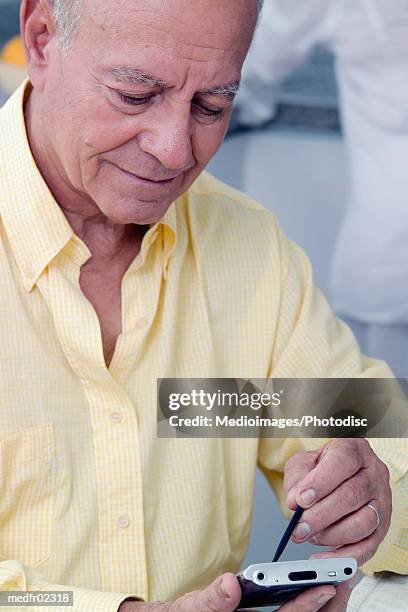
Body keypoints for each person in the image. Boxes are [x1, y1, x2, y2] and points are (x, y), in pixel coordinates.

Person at [0, 1, 406, 611]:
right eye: (135, 95)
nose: (174, 151)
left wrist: (374, 492)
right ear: (40, 38)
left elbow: (378, 430)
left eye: (213, 106)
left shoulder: (247, 248)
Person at [233, 0, 408, 378]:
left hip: (389, 260)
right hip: (389, 262)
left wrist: (250, 105)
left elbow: (251, 61)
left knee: (378, 420)